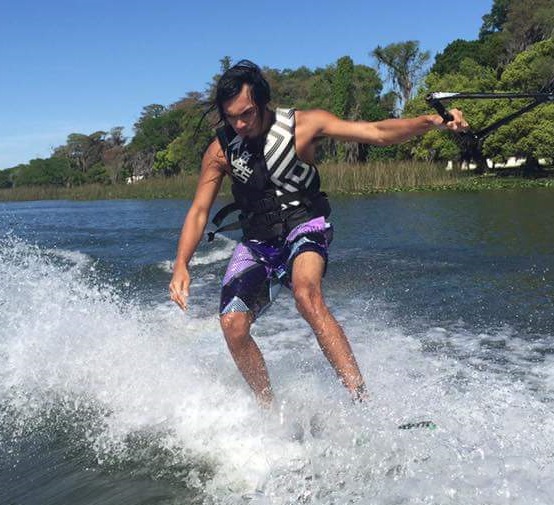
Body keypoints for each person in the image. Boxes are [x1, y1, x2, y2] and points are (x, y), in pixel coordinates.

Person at [169, 60, 468, 408]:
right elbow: (199, 211)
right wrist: (181, 264)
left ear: (262, 101)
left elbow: (376, 132)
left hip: (304, 225)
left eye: (246, 114)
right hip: (258, 242)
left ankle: (362, 403)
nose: (240, 124)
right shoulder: (222, 149)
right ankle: (269, 410)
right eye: (231, 117)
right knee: (232, 324)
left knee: (306, 293)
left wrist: (431, 121)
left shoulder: (303, 125)